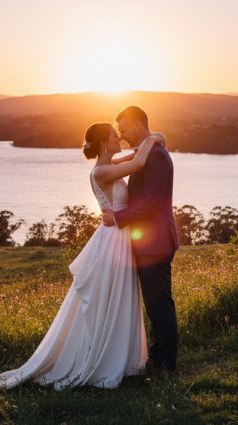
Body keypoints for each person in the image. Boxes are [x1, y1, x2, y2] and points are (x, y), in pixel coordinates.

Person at [0, 122, 165, 389]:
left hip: (119, 237)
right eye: (114, 135)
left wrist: (147, 142)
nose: (119, 137)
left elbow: (133, 156)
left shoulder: (110, 163)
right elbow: (139, 163)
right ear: (105, 143)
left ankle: (118, 354)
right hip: (112, 241)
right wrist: (153, 137)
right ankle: (101, 358)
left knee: (119, 296)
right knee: (109, 296)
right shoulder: (102, 171)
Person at [102, 105, 179, 378]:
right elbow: (117, 161)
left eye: (123, 129)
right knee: (153, 302)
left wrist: (118, 217)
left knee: (159, 303)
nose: (122, 136)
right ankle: (159, 355)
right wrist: (151, 138)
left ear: (137, 124)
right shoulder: (147, 152)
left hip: (156, 242)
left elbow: (153, 201)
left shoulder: (156, 156)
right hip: (148, 242)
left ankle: (167, 363)